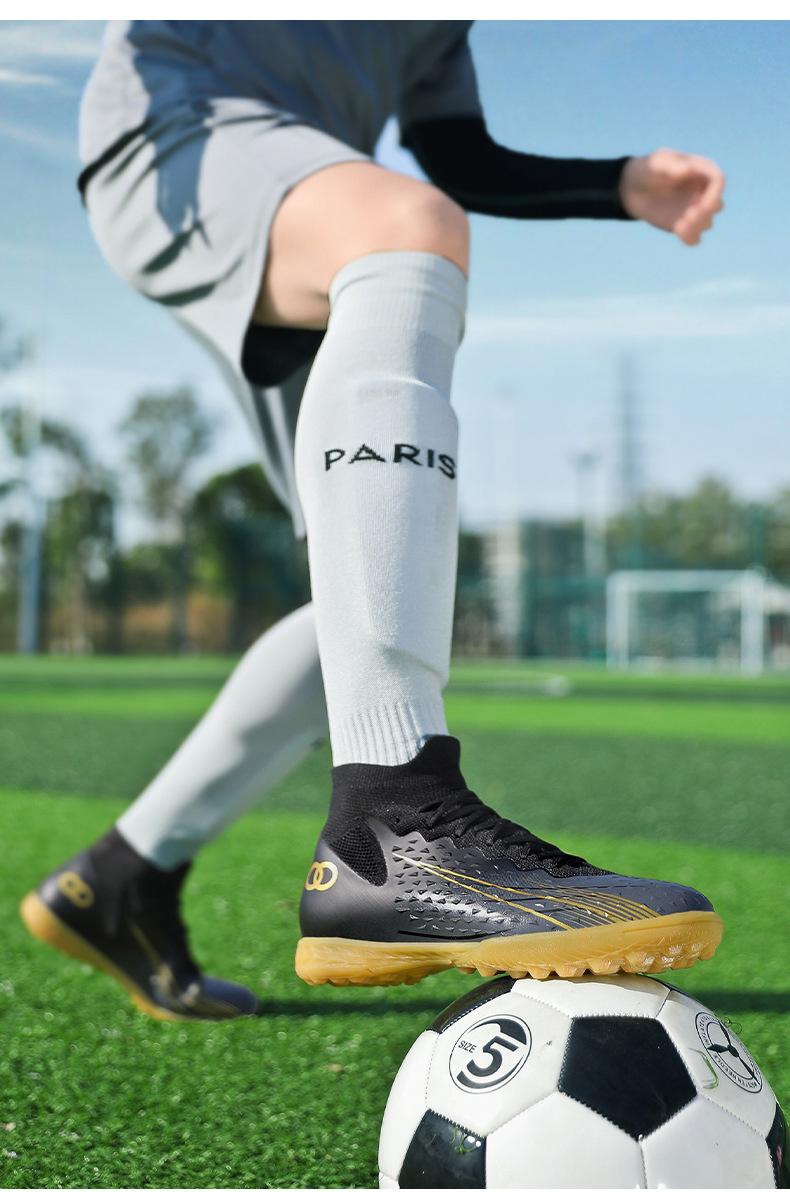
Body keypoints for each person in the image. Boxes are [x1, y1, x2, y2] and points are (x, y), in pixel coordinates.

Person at [21, 21, 726, 1021]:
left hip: (296, 191)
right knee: (405, 225)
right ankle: (398, 817)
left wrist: (615, 183)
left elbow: (460, 154)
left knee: (362, 591)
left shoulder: (442, 30)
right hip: (181, 133)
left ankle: (121, 875)